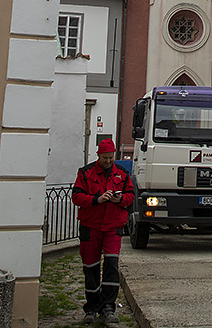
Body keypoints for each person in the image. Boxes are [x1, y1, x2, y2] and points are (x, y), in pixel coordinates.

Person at [72, 138, 135, 325]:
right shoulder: (85, 173)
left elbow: (131, 196)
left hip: (112, 226)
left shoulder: (122, 174)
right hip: (91, 226)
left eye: (111, 157)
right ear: (98, 155)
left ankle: (108, 307)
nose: (108, 161)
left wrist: (119, 199)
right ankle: (91, 307)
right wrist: (96, 200)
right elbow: (76, 196)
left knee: (111, 266)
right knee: (90, 268)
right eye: (105, 157)